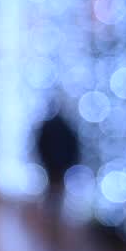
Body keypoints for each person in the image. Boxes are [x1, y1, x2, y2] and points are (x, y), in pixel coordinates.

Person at [35, 101, 80, 240]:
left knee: (52, 193)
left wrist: (44, 160)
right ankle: (54, 220)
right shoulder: (65, 126)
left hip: (52, 164)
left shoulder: (48, 126)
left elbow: (40, 144)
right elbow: (73, 145)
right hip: (60, 165)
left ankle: (51, 220)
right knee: (57, 193)